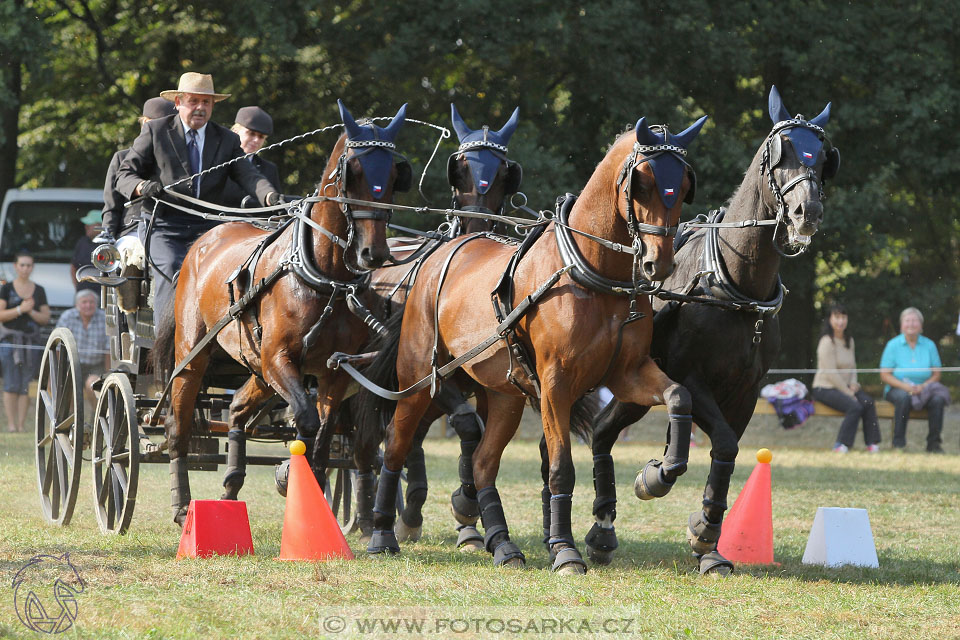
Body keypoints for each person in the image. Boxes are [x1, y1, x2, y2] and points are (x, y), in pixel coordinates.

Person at [114, 72, 281, 314]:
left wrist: (269, 195)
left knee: (233, 271)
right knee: (174, 270)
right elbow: (124, 175)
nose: (200, 108)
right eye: (194, 101)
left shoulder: (227, 139)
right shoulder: (155, 132)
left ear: (213, 105)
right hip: (162, 226)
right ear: (179, 102)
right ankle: (167, 345)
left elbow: (249, 175)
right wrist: (142, 187)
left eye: (206, 102)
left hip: (208, 228)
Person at [97, 97, 178, 246]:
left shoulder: (178, 160)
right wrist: (108, 239)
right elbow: (112, 207)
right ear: (146, 123)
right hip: (132, 231)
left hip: (172, 231)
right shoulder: (122, 158)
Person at [811, 305, 880, 453]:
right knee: (854, 406)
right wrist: (849, 393)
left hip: (848, 387)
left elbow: (853, 365)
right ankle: (841, 445)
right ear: (830, 319)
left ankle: (872, 443)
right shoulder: (826, 341)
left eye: (843, 317)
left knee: (868, 402)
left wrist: (855, 384)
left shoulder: (850, 340)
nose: (840, 321)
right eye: (836, 317)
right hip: (825, 388)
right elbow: (831, 373)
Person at [880, 307, 950, 453]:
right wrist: (906, 387)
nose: (911, 324)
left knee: (938, 400)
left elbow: (937, 374)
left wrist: (923, 386)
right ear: (901, 325)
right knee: (904, 398)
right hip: (897, 389)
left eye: (914, 321)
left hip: (925, 389)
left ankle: (934, 445)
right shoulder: (893, 345)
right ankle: (898, 444)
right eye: (907, 321)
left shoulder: (929, 345)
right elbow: (885, 375)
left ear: (921, 326)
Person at [0, 251, 51, 432]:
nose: (25, 268)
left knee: (25, 384)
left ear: (32, 267)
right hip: (10, 341)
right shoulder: (6, 289)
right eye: (22, 265)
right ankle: (12, 425)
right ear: (15, 266)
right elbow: (1, 315)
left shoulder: (39, 290)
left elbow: (45, 317)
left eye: (28, 265)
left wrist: (31, 311)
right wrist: (21, 309)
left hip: (31, 342)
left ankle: (21, 425)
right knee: (10, 383)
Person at [55, 289, 109, 410]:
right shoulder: (67, 317)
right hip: (72, 364)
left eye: (91, 302)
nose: (88, 305)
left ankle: (97, 418)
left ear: (96, 304)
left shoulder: (103, 318)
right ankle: (73, 420)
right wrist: (58, 371)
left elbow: (108, 350)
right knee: (68, 387)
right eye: (84, 302)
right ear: (77, 304)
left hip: (95, 366)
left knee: (93, 385)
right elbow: (57, 346)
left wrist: (108, 373)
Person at [223, 106, 281, 208]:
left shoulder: (269, 169)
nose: (256, 140)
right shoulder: (219, 162)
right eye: (251, 134)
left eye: (261, 137)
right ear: (235, 131)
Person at [71, 209, 102, 294]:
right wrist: (78, 288)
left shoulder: (108, 244)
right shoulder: (82, 242)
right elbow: (73, 266)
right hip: (83, 292)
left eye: (89, 224)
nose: (86, 226)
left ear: (100, 226)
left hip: (102, 293)